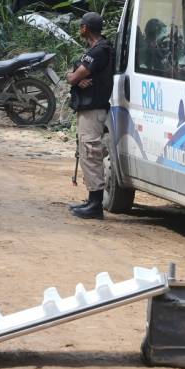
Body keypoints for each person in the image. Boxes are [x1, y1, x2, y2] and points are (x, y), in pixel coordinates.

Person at [67, 12, 115, 220]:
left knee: (90, 152)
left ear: (85, 28)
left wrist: (74, 78)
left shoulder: (98, 51)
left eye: (81, 27)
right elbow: (77, 76)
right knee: (87, 152)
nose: (80, 30)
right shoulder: (98, 50)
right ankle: (91, 199)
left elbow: (73, 76)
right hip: (90, 108)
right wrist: (76, 78)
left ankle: (95, 204)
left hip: (93, 109)